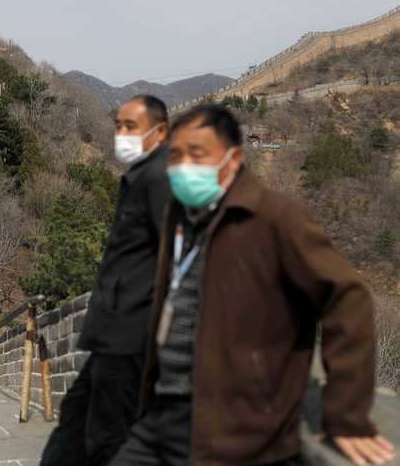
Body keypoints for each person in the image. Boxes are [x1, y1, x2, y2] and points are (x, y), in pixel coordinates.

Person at [109, 104, 395, 466]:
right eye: (176, 155)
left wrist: (348, 415)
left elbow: (347, 297)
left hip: (237, 430)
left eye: (198, 154)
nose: (184, 167)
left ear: (233, 158)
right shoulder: (181, 217)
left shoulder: (274, 217)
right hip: (163, 415)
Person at [40, 95, 170, 466]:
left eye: (132, 127)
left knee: (108, 441)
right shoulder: (140, 178)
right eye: (118, 126)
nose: (121, 134)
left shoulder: (161, 178)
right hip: (111, 336)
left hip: (133, 335)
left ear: (160, 133)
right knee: (72, 433)